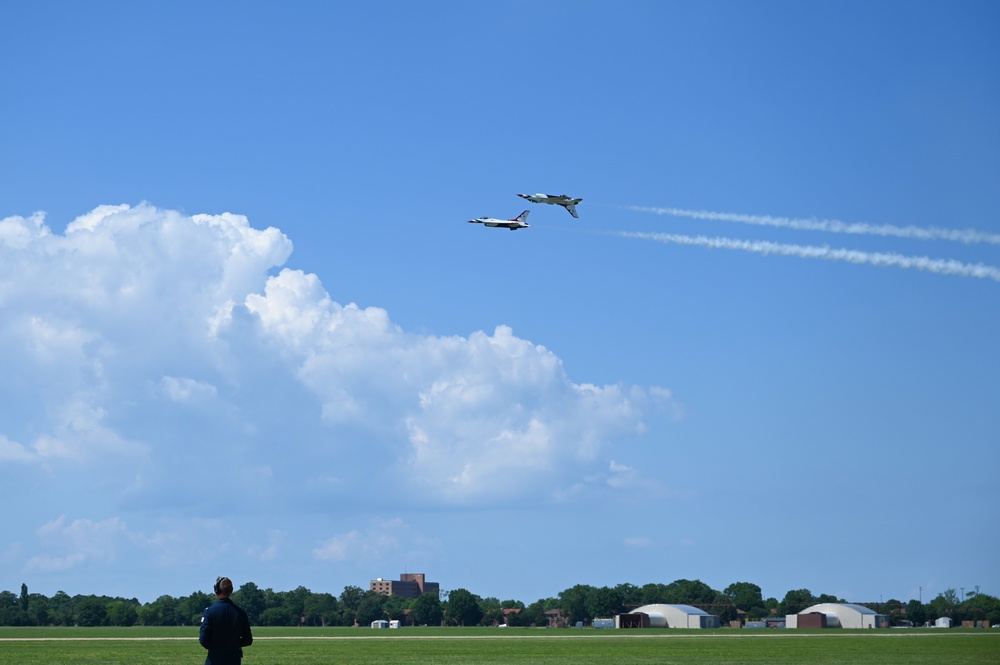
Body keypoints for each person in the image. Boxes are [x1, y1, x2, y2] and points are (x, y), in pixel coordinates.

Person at [199, 576, 253, 665]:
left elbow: (204, 640)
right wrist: (233, 644)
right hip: (234, 660)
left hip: (214, 659)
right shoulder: (240, 613)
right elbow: (248, 640)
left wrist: (216, 645)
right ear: (231, 590)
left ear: (217, 590)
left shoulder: (209, 612)